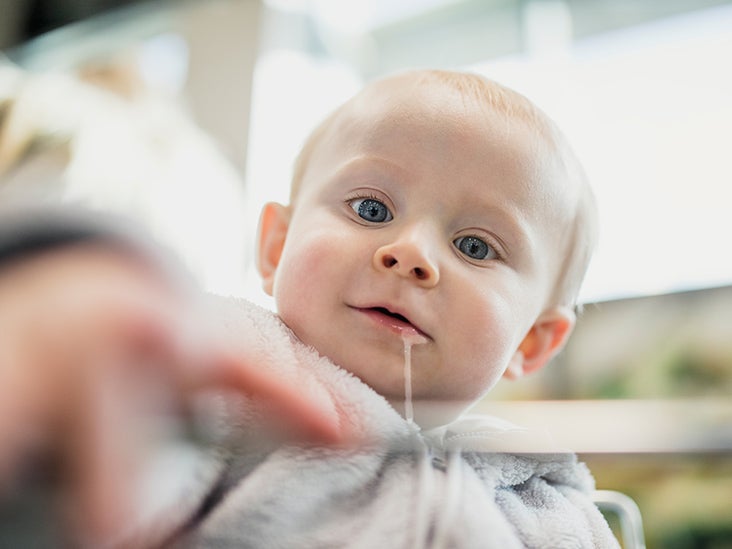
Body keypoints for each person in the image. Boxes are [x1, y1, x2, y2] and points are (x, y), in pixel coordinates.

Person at [0, 69, 617, 548]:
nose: (411, 254)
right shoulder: (221, 367)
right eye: (371, 209)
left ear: (532, 342)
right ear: (274, 246)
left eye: (475, 246)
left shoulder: (550, 505)